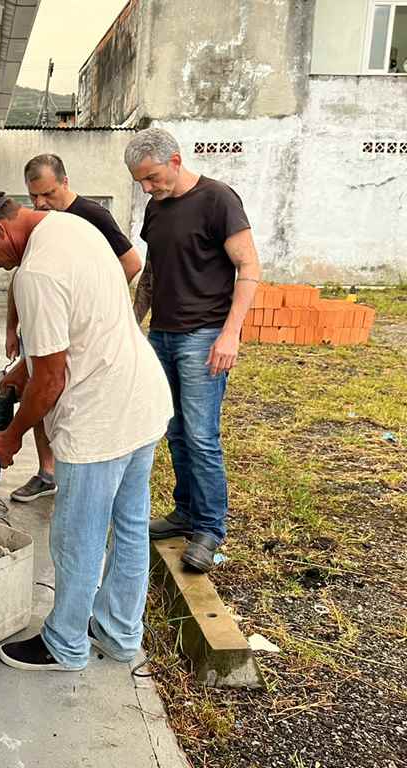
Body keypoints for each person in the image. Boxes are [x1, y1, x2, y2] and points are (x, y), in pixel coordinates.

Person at [0, 191, 172, 672]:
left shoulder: (36, 274)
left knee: (77, 538)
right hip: (142, 400)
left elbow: (52, 378)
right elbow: (73, 334)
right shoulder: (72, 227)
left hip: (101, 419)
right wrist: (19, 376)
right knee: (129, 530)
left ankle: (66, 643)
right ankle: (118, 634)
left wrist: (12, 437)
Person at [125, 128, 262, 573]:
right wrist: (133, 322)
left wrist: (231, 333)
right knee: (175, 430)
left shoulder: (218, 200)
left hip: (204, 336)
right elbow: (152, 274)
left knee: (202, 436)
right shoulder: (155, 209)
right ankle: (184, 510)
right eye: (141, 181)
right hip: (162, 335)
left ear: (176, 160)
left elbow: (248, 267)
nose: (148, 187)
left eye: (153, 177)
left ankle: (209, 528)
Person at [0, 154, 144, 504]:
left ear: (65, 182)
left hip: (81, 328)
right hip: (44, 316)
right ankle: (47, 471)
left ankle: (69, 469)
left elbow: (131, 263)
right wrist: (12, 326)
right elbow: (21, 276)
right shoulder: (37, 225)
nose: (40, 203)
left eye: (47, 193)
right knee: (36, 384)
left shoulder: (92, 216)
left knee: (52, 382)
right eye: (33, 197)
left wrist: (91, 308)